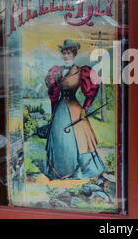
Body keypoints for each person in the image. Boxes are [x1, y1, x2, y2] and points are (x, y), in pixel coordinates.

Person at [44, 39, 105, 180]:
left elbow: (92, 90)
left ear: (74, 53)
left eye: (69, 52)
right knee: (59, 137)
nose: (66, 55)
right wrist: (53, 111)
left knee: (78, 138)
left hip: (74, 107)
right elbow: (53, 93)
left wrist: (86, 107)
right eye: (64, 53)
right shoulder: (56, 71)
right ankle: (58, 171)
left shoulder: (81, 71)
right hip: (60, 109)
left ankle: (79, 169)